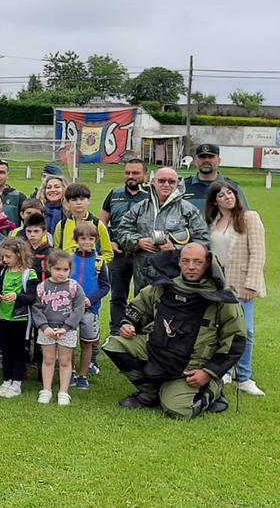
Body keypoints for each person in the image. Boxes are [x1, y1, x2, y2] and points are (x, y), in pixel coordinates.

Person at [105, 243, 246, 420]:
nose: (191, 267)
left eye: (198, 262)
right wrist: (128, 324)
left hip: (192, 366)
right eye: (186, 261)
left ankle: (214, 389)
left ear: (208, 264)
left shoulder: (222, 299)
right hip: (156, 350)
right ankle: (151, 392)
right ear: (178, 262)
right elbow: (137, 308)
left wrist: (209, 372)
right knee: (114, 345)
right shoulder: (164, 286)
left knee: (178, 410)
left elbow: (236, 340)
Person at [205, 180, 266, 396]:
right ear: (214, 201)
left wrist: (251, 285)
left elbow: (258, 253)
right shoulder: (213, 222)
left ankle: (245, 376)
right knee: (222, 329)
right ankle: (226, 371)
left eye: (230, 193)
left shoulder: (250, 218)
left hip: (241, 286)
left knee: (245, 330)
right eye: (221, 195)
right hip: (218, 286)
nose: (228, 197)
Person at [115, 167, 210, 289]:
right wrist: (138, 242)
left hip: (175, 276)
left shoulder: (189, 210)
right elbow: (122, 231)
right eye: (162, 181)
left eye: (171, 181)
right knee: (142, 307)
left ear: (178, 184)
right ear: (153, 182)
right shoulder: (140, 208)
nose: (166, 185)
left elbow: (203, 241)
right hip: (143, 275)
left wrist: (176, 250)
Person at [100, 158, 150, 333]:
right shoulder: (114, 194)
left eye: (135, 173)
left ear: (145, 174)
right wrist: (109, 243)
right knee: (118, 297)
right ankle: (115, 332)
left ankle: (139, 331)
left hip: (142, 255)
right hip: (119, 254)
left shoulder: (152, 197)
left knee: (142, 296)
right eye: (127, 172)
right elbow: (102, 224)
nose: (131, 176)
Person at [31, 251, 86, 407]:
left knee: (65, 360)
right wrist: (44, 326)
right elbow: (37, 308)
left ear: (70, 270)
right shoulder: (42, 287)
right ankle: (46, 390)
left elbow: (78, 308)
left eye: (65, 270)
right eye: (57, 269)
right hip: (47, 329)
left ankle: (63, 391)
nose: (61, 273)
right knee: (48, 360)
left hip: (67, 330)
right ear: (50, 268)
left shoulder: (74, 287)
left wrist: (67, 327)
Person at [0, 239, 37, 399]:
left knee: (18, 351)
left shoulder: (29, 274)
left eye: (8, 257)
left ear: (19, 255)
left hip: (20, 319)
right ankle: (6, 381)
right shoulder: (4, 271)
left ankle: (16, 383)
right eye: (3, 257)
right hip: (3, 317)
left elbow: (32, 297)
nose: (4, 260)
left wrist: (17, 296)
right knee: (6, 350)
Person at [72, 222, 111, 390]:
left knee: (87, 343)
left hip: (90, 309)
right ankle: (71, 372)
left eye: (91, 239)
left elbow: (105, 286)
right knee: (70, 342)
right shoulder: (69, 259)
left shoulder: (99, 262)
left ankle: (83, 375)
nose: (87, 242)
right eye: (83, 239)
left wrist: (91, 299)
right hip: (70, 309)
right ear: (76, 240)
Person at [183, 143, 248, 213]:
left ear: (219, 161)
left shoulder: (233, 188)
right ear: (196, 161)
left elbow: (244, 216)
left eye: (211, 157)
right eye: (202, 157)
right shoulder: (183, 187)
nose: (206, 160)